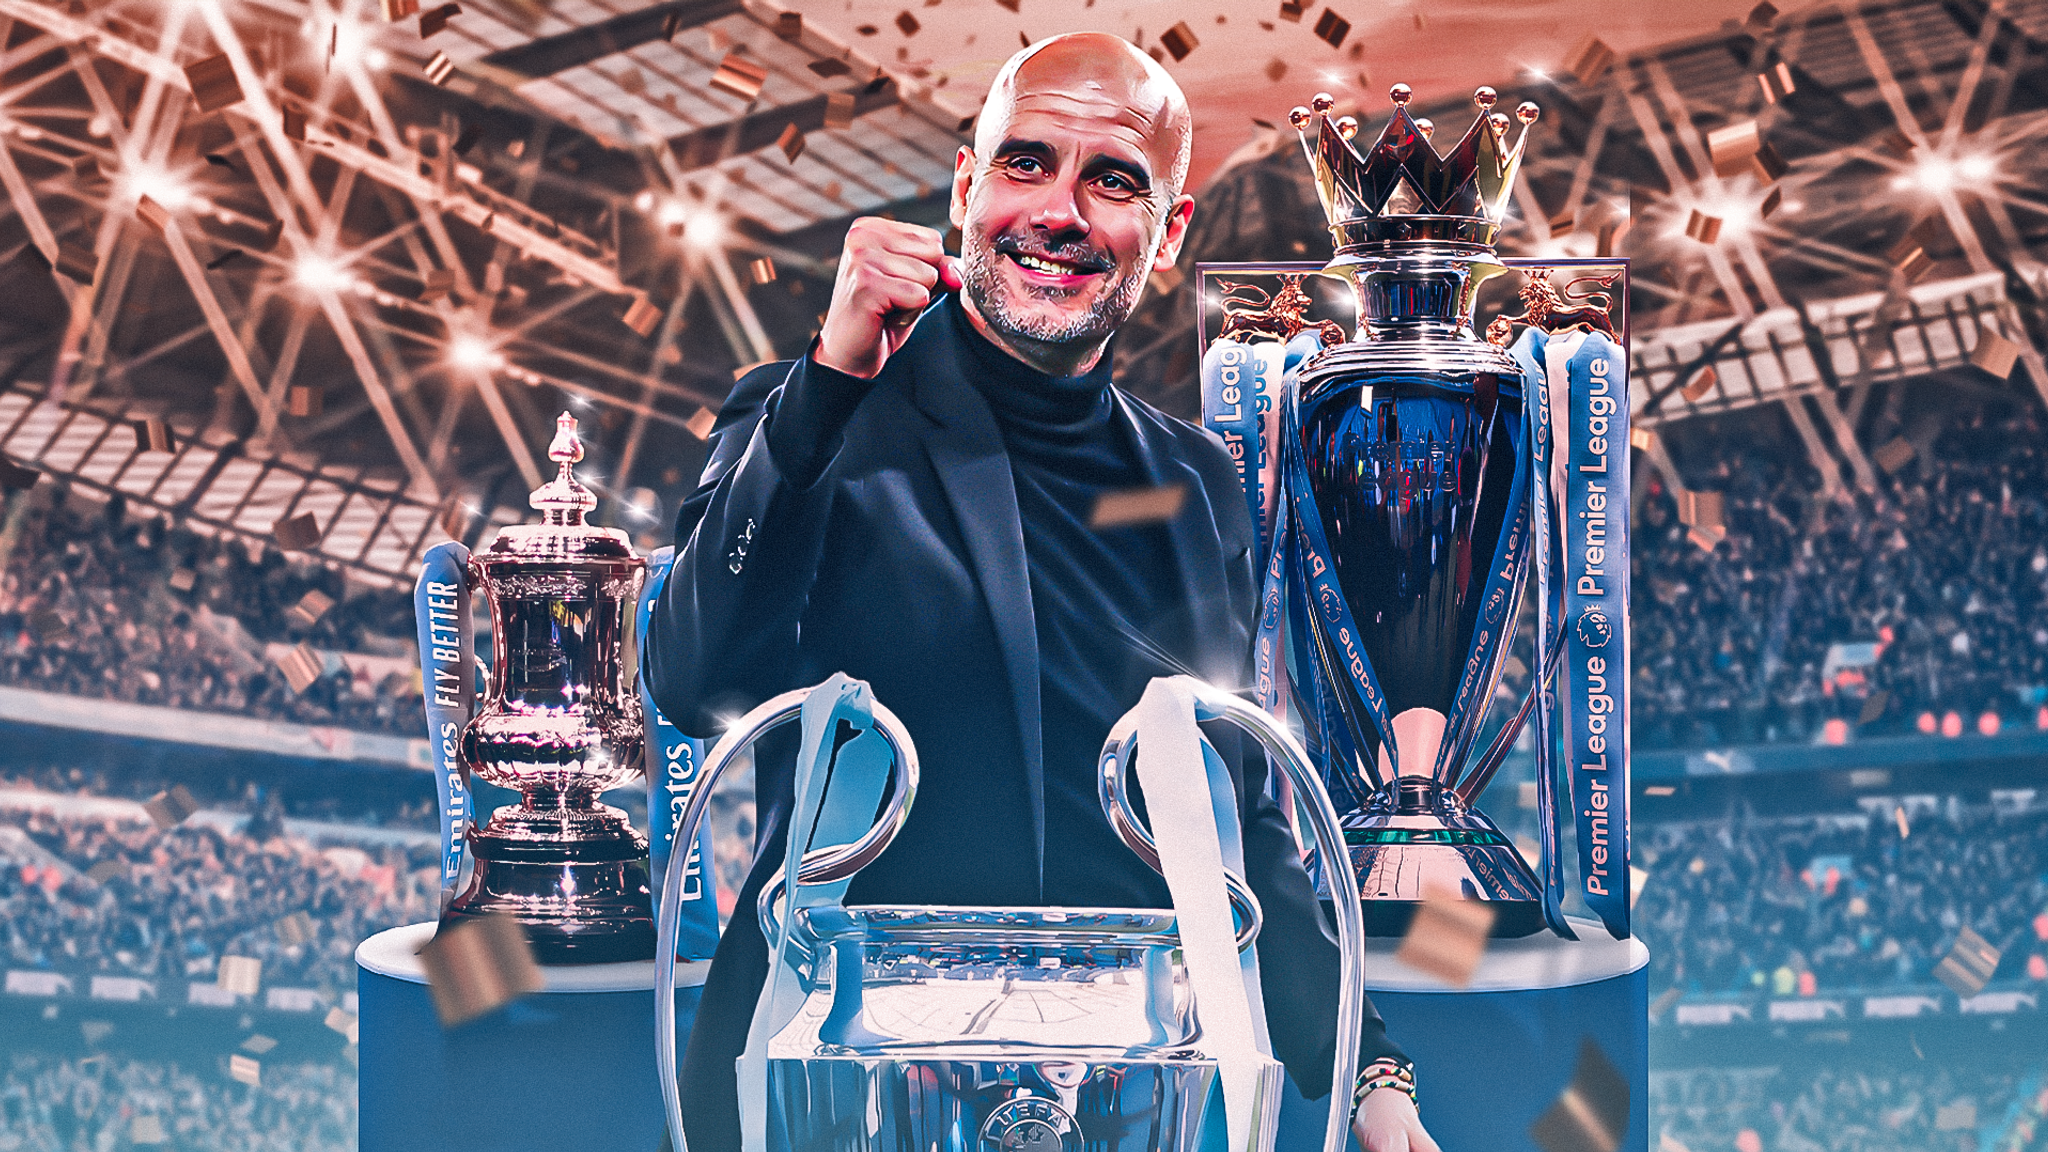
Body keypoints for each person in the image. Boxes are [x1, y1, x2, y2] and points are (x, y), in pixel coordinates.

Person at [645, 32, 1437, 1152]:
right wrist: (825, 384)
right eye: (1025, 163)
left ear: (1166, 233)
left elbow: (1239, 825)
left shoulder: (1192, 484)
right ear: (965, 188)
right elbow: (694, 681)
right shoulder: (811, 416)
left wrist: (1370, 1075)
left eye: (1112, 179)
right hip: (836, 1100)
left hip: (1116, 1101)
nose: (1059, 210)